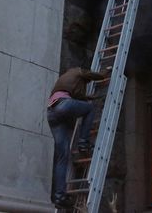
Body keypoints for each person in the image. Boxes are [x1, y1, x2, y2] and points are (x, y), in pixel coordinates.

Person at [47, 66, 110, 208]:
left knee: (62, 157)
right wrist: (105, 72)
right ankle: (83, 143)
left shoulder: (64, 79)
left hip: (52, 112)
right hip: (64, 106)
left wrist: (88, 97)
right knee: (89, 109)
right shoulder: (78, 71)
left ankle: (59, 197)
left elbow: (75, 96)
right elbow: (93, 75)